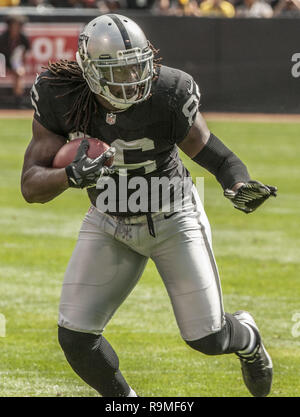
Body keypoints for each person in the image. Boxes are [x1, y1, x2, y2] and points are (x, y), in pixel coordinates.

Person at [21, 14, 277, 397]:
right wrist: (69, 176)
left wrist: (236, 185)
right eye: (118, 71)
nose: (131, 79)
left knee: (206, 338)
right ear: (89, 70)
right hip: (108, 221)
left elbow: (217, 157)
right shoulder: (61, 94)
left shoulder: (168, 92)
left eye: (136, 66)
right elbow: (31, 184)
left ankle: (247, 338)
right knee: (75, 337)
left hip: (173, 218)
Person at [0, 14, 30, 108]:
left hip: (14, 61)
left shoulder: (23, 38)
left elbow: (25, 51)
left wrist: (21, 64)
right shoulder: (3, 37)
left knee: (19, 74)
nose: (15, 28)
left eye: (17, 25)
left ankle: (18, 102)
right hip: (2, 59)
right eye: (13, 25)